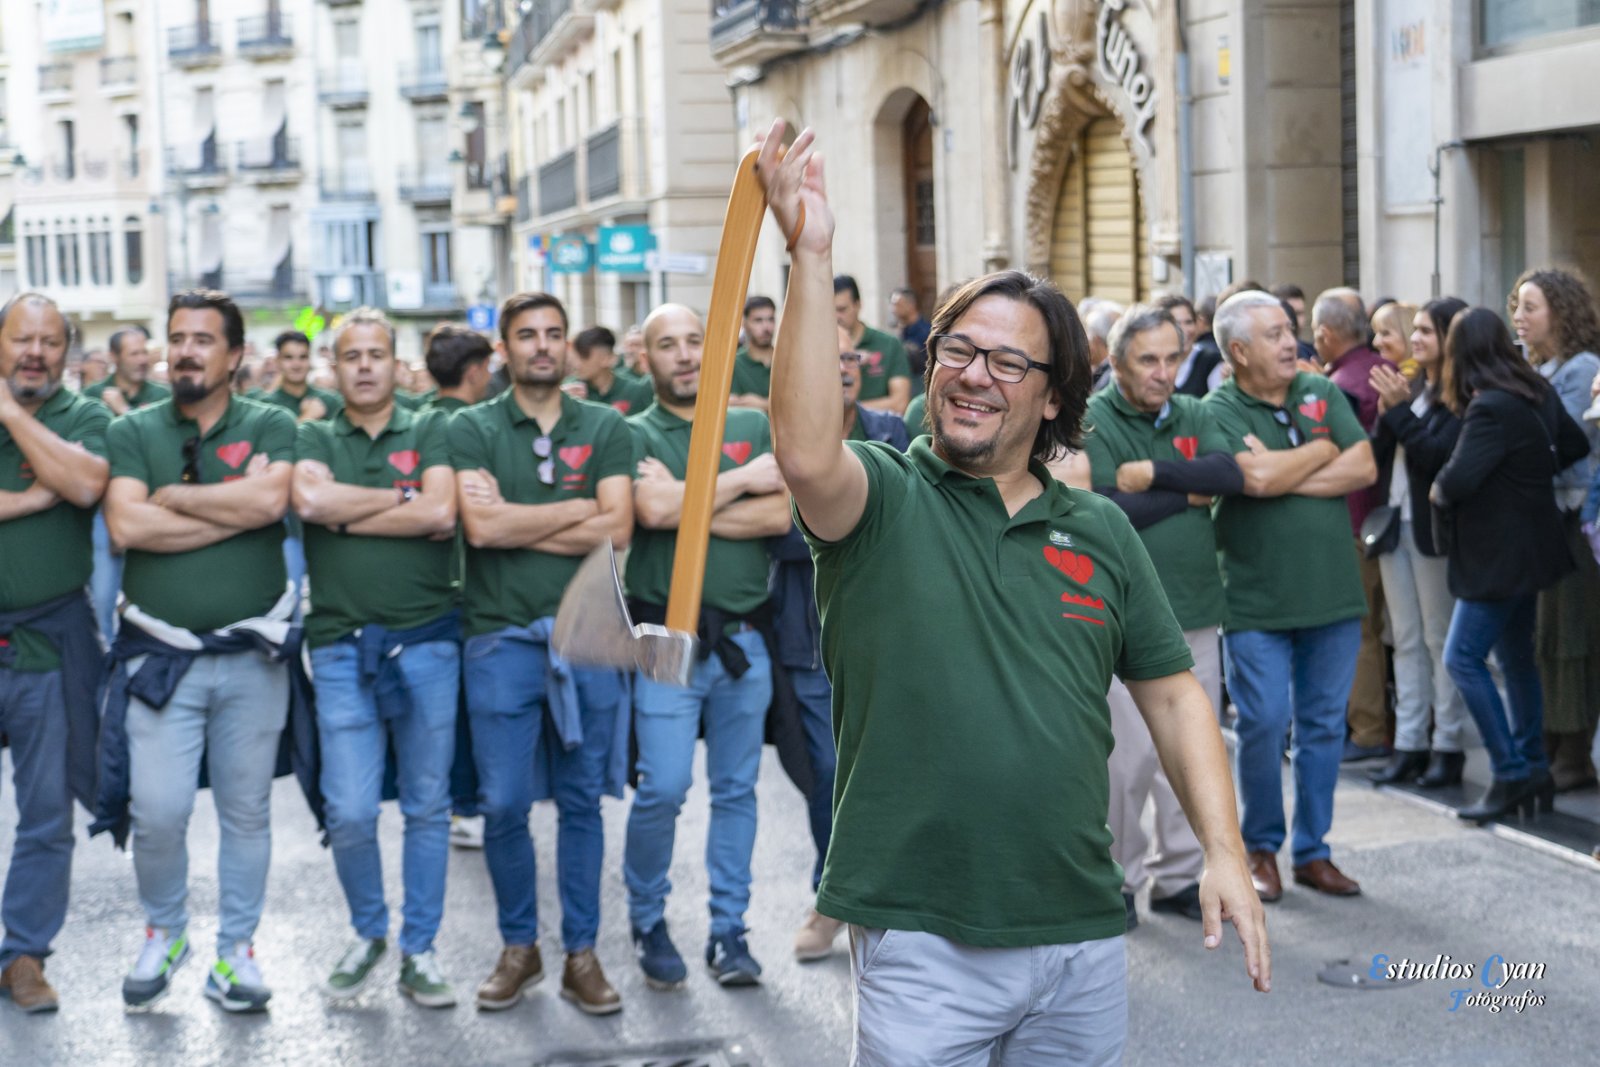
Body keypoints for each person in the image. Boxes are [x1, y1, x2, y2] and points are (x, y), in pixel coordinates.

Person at [757, 123, 1267, 1065]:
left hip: (1081, 934)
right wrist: (810, 252)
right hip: (920, 937)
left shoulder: (1100, 528)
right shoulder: (880, 497)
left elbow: (1173, 694)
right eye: (958, 349)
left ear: (1053, 395)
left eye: (1007, 362)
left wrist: (1224, 851)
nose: (973, 376)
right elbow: (805, 453)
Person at [101, 290, 298, 1012]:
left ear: (235, 354)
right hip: (160, 658)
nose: (185, 351)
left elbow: (270, 504)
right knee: (157, 811)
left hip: (253, 654)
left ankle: (236, 952)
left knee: (247, 812)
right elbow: (126, 526)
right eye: (177, 337)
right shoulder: (133, 429)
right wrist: (236, 506)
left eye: (203, 340)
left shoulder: (273, 422)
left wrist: (177, 499)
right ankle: (166, 930)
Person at [450, 292, 635, 1014]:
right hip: (499, 638)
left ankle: (581, 955)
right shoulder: (472, 426)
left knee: (583, 802)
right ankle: (519, 948)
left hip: (589, 637)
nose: (542, 345)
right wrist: (580, 510)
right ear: (504, 348)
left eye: (554, 333)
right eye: (527, 334)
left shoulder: (605, 426)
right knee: (502, 803)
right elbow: (482, 531)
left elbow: (619, 531)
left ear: (567, 346)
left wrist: (517, 517)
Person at [292, 308, 462, 1006]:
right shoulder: (311, 433)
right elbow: (310, 500)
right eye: (351, 355)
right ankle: (369, 931)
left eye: (376, 354)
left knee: (428, 805)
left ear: (397, 363)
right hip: (340, 647)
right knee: (350, 809)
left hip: (428, 642)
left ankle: (420, 949)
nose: (364, 366)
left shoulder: (432, 427)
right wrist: (403, 496)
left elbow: (442, 513)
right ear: (333, 366)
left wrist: (349, 510)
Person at [623, 303, 792, 989]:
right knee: (663, 785)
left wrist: (688, 501)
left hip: (743, 639)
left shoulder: (750, 426)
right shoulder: (631, 432)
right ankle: (647, 918)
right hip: (664, 636)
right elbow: (650, 510)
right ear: (647, 358)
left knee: (736, 789)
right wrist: (739, 483)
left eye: (695, 339)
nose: (686, 354)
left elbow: (779, 513)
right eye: (668, 344)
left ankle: (729, 929)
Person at [1204, 289, 1376, 902]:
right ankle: (1261, 848)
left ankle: (1313, 852)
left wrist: (1287, 470)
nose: (1290, 342)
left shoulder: (1320, 390)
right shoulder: (1216, 409)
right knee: (1263, 724)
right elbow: (1252, 479)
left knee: (1324, 727)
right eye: (1274, 334)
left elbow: (1364, 467)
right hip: (1255, 601)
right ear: (1239, 351)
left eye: (1290, 329)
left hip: (1332, 596)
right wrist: (1322, 450)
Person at [1084, 305, 1244, 930]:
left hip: (1197, 608)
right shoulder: (1094, 419)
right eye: (1147, 360)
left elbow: (1228, 473)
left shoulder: (1195, 411)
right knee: (1127, 760)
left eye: (1172, 358)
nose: (1163, 372)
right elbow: (1104, 507)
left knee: (1195, 752)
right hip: (1121, 620)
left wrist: (1152, 478)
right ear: (1116, 363)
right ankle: (1119, 880)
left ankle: (1179, 875)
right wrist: (1187, 493)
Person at [775, 326, 910, 964]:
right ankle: (830, 898)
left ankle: (881, 897)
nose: (845, 367)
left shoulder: (892, 430)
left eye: (851, 356)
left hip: (892, 635)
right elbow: (781, 532)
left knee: (895, 770)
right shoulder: (784, 438)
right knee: (830, 775)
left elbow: (911, 522)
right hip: (810, 639)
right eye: (827, 359)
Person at [1431, 308, 1589, 821]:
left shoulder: (1490, 406)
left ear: (1460, 353)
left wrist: (1439, 489)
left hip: (1496, 557)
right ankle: (1534, 769)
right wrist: (1527, 476)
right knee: (1517, 660)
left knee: (1462, 658)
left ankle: (1511, 771)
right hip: (1533, 549)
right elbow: (1574, 444)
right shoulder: (1534, 391)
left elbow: (1456, 481)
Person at [0, 293, 111, 1014]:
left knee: (45, 812)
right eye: (21, 339)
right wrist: (34, 499)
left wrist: (11, 416)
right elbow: (61, 487)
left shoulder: (87, 417)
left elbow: (87, 483)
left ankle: (24, 954)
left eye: (49, 342)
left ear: (66, 353)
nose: (34, 353)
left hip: (46, 642)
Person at [1365, 298, 1472, 789]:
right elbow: (1375, 456)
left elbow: (1436, 458)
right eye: (1417, 330)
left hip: (1434, 532)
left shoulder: (1461, 397)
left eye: (1427, 331)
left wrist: (1399, 411)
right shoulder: (1415, 389)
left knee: (1438, 639)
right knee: (1404, 639)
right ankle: (1410, 743)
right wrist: (1390, 412)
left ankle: (1448, 744)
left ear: (1450, 338)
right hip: (1394, 524)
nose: (1416, 339)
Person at [1509, 268, 1600, 794]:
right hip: (1544, 522)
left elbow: (1555, 443)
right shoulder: (1540, 369)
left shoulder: (1582, 368)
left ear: (1561, 312)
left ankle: (1573, 750)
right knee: (1546, 636)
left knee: (1571, 635)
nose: (1519, 317)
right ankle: (1552, 740)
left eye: (1531, 306)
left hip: (1575, 519)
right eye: (1516, 306)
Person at [1311, 288, 1391, 763]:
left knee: (1360, 633)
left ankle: (1367, 729)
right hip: (1378, 522)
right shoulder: (1379, 371)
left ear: (1325, 334)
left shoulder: (1341, 385)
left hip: (1354, 523)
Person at [83, 327, 170, 638]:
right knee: (103, 599)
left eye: (144, 352)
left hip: (153, 509)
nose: (142, 359)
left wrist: (122, 411)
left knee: (154, 600)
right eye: (134, 353)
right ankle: (108, 659)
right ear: (114, 357)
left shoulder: (163, 397)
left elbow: (164, 453)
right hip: (102, 516)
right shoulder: (91, 397)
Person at [834, 275, 911, 414]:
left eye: (842, 309)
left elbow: (900, 403)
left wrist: (849, 411)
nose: (836, 317)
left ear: (858, 305)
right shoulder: (820, 351)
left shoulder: (888, 345)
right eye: (830, 311)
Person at [564, 325, 654, 415]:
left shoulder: (635, 391)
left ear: (606, 359)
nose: (577, 363)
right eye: (576, 357)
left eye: (584, 356)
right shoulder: (571, 390)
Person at [257, 330, 343, 424]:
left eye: (303, 357)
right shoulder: (266, 405)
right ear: (277, 360)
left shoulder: (330, 401)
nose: (296, 365)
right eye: (288, 357)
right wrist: (308, 416)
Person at [422, 322, 494, 415]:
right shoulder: (476, 420)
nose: (489, 376)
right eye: (486, 368)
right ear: (474, 373)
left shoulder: (420, 415)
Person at [730, 296, 778, 410]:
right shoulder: (734, 364)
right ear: (743, 323)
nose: (766, 327)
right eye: (758, 320)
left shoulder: (788, 361)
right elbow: (732, 407)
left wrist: (764, 405)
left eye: (770, 319)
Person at [1175, 295, 1223, 397]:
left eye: (1188, 322)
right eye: (1176, 324)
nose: (1184, 330)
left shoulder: (1211, 362)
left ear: (1199, 323)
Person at [889, 287, 932, 383]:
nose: (893, 310)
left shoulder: (927, 332)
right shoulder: (898, 332)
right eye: (892, 305)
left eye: (897, 305)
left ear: (911, 305)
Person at [1371, 301, 1420, 380]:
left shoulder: (1416, 379)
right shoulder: (1395, 374)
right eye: (1375, 333)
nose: (1375, 342)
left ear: (1409, 333)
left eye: (1385, 333)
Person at [1082, 301, 1123, 392]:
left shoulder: (1109, 377)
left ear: (1096, 339)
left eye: (1086, 337)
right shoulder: (1103, 370)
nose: (1084, 343)